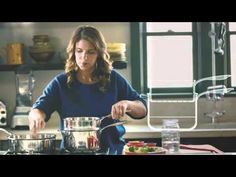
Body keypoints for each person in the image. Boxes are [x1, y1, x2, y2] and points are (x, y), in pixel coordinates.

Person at [28, 25, 147, 155]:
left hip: (111, 151)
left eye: (90, 52)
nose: (84, 57)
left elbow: (142, 109)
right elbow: (38, 109)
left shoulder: (113, 79)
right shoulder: (60, 83)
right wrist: (36, 117)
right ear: (73, 52)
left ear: (99, 54)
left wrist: (127, 104)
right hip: (71, 151)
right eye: (79, 51)